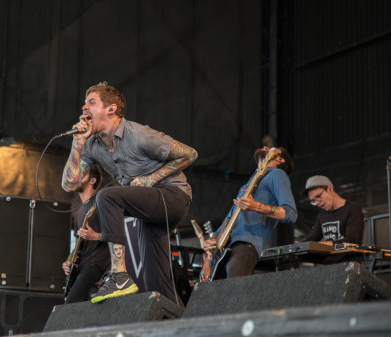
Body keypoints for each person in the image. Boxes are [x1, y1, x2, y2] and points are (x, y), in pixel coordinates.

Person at [61, 82, 197, 306]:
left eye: (91, 102)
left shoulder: (139, 134)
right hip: (148, 208)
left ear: (111, 109)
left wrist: (151, 179)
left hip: (173, 196)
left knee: (107, 196)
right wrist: (77, 142)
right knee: (156, 284)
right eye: (84, 103)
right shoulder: (92, 145)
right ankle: (172, 323)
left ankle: (119, 276)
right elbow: (70, 183)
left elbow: (190, 154)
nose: (84, 108)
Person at [203, 146, 297, 279]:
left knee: (233, 290)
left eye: (272, 148)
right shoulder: (248, 185)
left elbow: (291, 214)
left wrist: (256, 206)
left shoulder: (277, 174)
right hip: (224, 249)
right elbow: (230, 218)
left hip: (245, 245)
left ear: (280, 159)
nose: (265, 147)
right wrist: (213, 238)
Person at [62, 165, 110, 304]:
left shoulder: (100, 202)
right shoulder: (79, 212)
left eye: (82, 173)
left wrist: (95, 236)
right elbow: (78, 243)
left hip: (96, 266)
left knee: (69, 306)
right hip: (81, 268)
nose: (76, 177)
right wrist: (69, 260)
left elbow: (117, 233)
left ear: (92, 180)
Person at [302, 175, 364, 245]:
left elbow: (353, 239)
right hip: (330, 256)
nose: (317, 203)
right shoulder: (322, 214)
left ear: (330, 189)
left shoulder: (352, 208)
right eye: (313, 201)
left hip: (348, 256)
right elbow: (311, 239)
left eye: (318, 196)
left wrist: (323, 245)